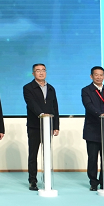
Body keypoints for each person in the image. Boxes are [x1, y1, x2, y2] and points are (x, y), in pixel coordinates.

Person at [23, 63, 59, 191]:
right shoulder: (28, 88)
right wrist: (42, 114)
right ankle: (32, 181)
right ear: (33, 73)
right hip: (34, 126)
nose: (41, 72)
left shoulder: (51, 88)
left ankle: (47, 179)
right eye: (38, 70)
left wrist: (56, 125)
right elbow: (31, 104)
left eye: (43, 70)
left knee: (47, 154)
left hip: (48, 125)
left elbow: (55, 107)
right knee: (33, 154)